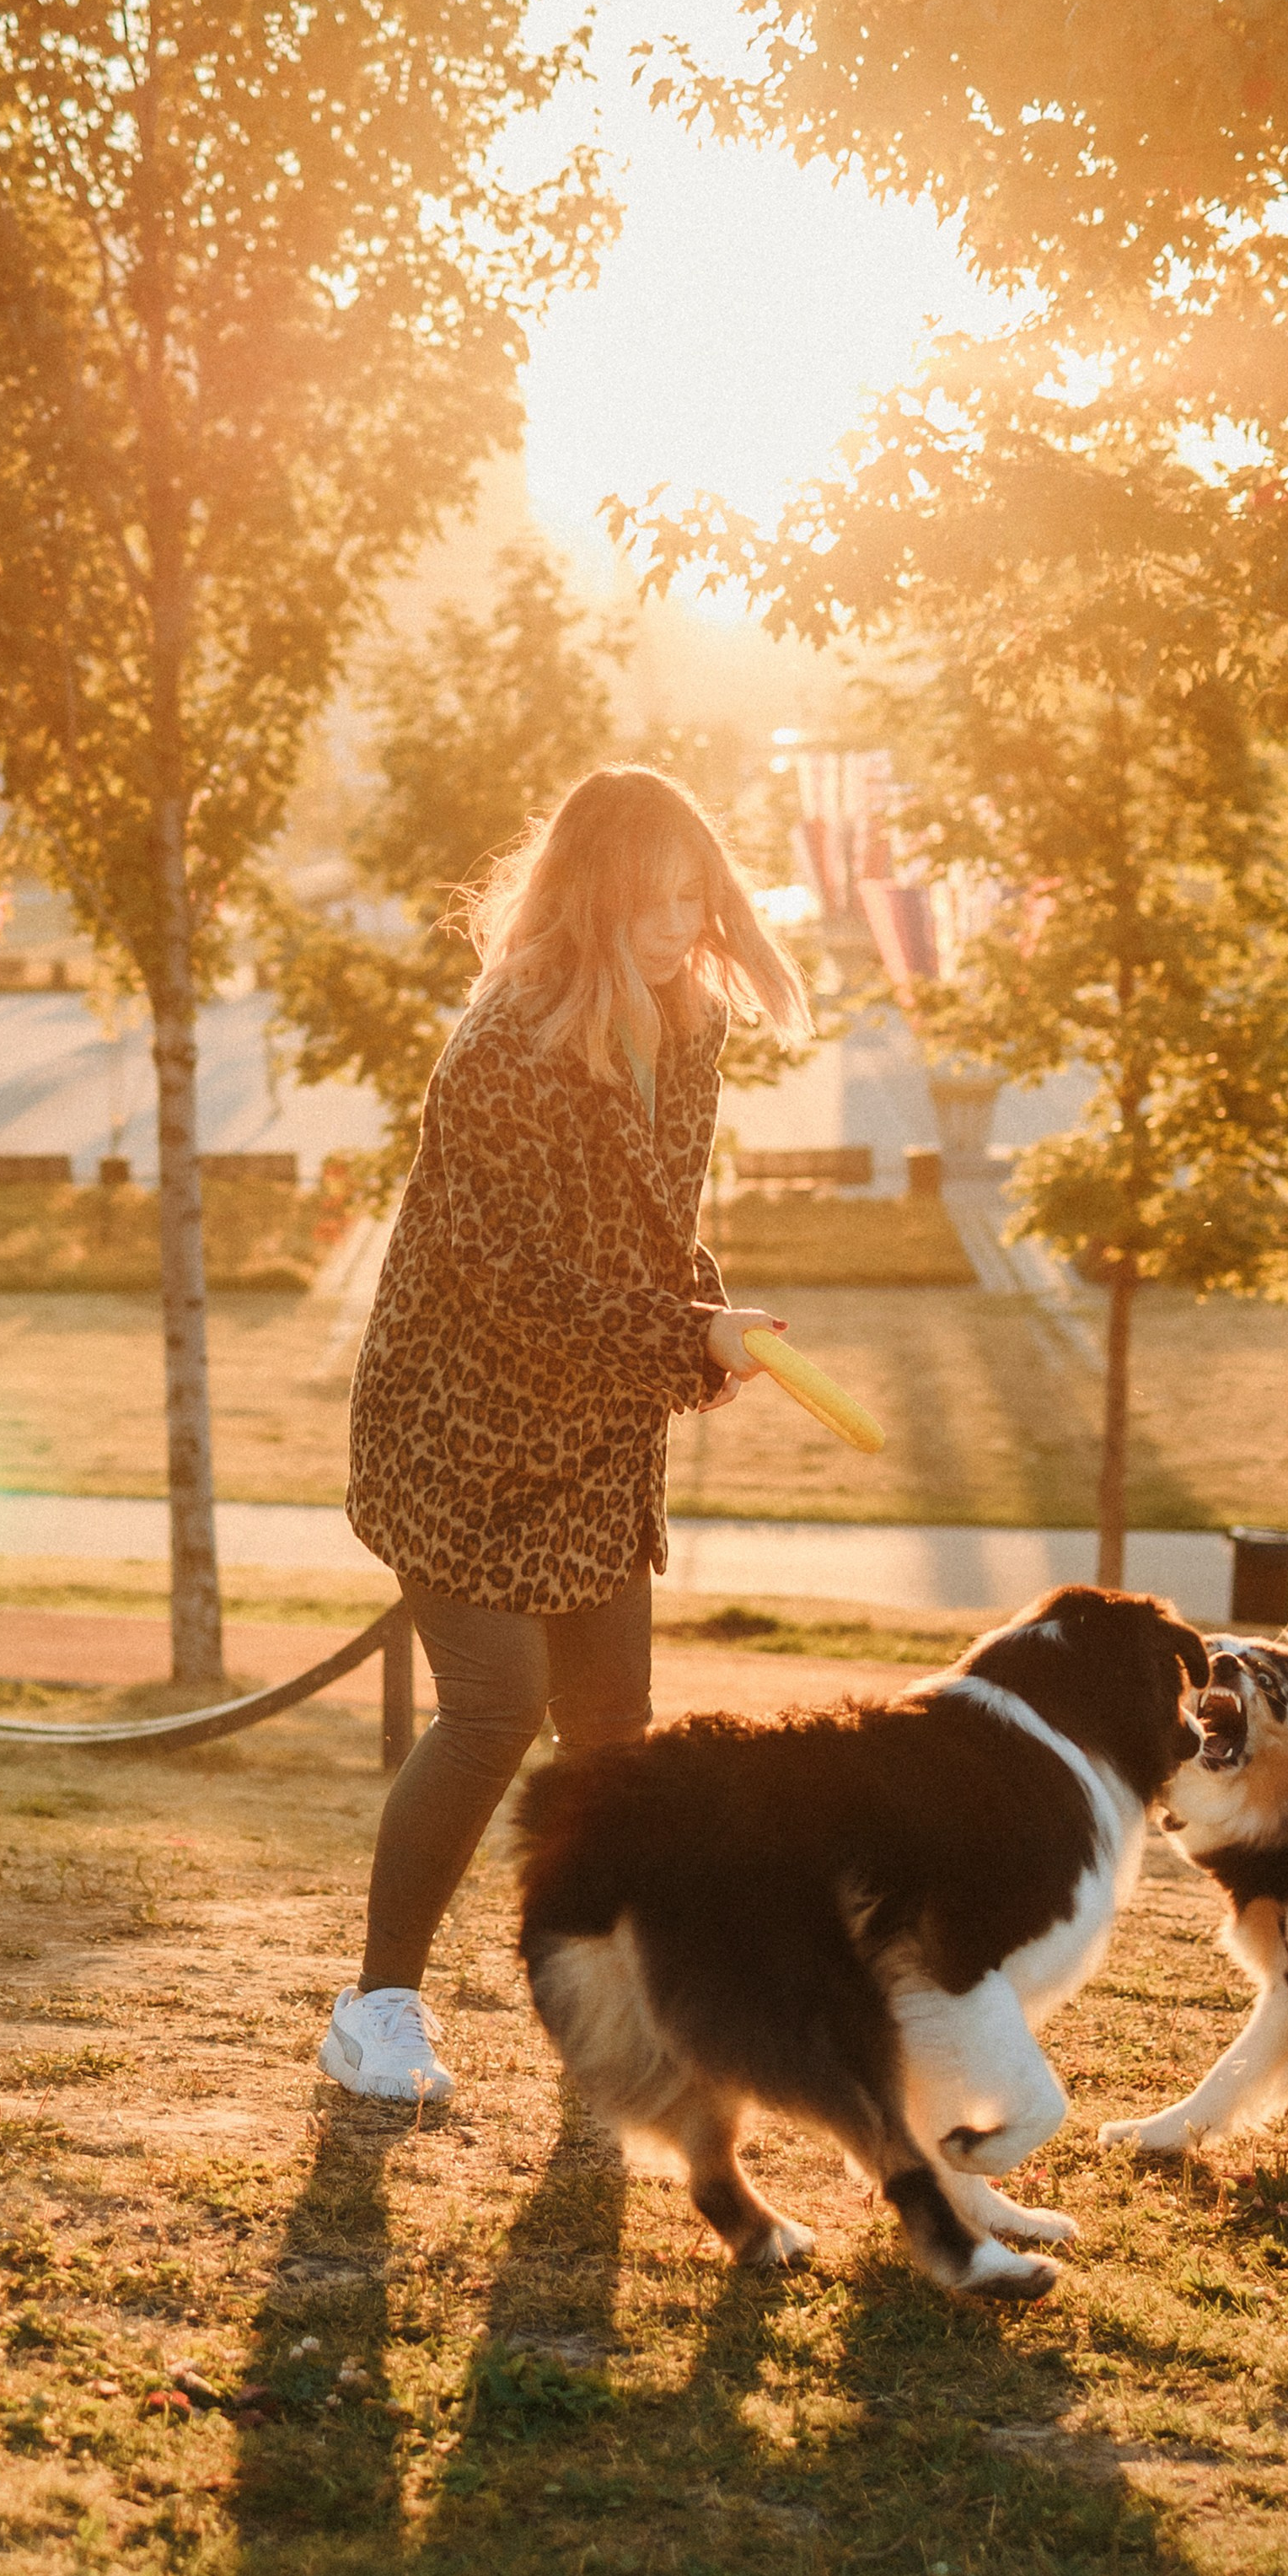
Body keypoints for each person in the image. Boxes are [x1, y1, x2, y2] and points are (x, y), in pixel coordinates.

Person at [319, 762, 812, 2107]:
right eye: (650, 900)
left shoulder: (688, 1027)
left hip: (590, 1424)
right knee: (492, 1710)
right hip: (458, 1425)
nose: (675, 925)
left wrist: (704, 1311)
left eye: (695, 897)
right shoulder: (505, 1046)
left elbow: (643, 1234)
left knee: (612, 1732)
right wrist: (682, 1341)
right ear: (592, 894)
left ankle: (612, 2021)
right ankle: (376, 2009)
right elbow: (515, 1279)